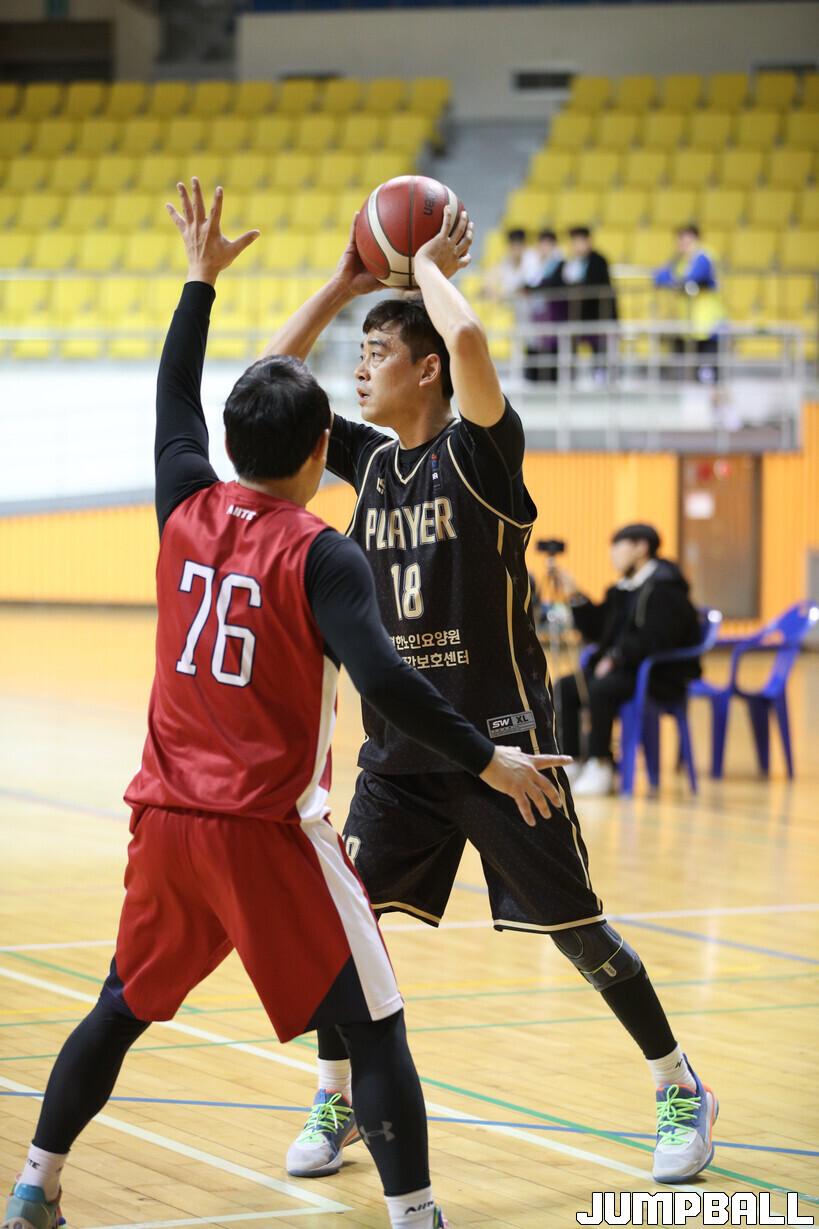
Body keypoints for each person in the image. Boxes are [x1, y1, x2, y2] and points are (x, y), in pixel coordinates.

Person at [0, 181, 571, 1229]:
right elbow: (388, 683)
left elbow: (179, 389)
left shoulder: (183, 499)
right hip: (267, 832)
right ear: (321, 455)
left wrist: (201, 280)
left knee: (119, 1005)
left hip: (162, 821)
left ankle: (35, 1182)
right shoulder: (321, 552)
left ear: (232, 441)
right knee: (379, 1021)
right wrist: (489, 758)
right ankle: (416, 1213)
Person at [264, 206, 718, 1188]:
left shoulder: (480, 454)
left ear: (425, 369)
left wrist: (425, 265)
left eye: (377, 352)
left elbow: (468, 338)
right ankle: (337, 1096)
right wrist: (345, 284)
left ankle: (679, 1082)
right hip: (398, 758)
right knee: (342, 929)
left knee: (579, 929)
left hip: (504, 749)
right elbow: (270, 378)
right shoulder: (369, 462)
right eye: (360, 353)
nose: (359, 368)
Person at [553, 524, 703, 798]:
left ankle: (601, 764)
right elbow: (599, 630)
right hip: (627, 670)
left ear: (641, 547)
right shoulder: (624, 588)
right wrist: (576, 596)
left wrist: (615, 657)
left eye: (618, 546)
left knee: (600, 688)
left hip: (659, 676)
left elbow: (657, 639)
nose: (613, 554)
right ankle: (574, 762)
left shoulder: (665, 588)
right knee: (566, 687)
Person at [654, 224, 724, 384]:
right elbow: (659, 277)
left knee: (708, 374)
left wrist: (674, 282)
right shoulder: (679, 261)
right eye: (680, 240)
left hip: (708, 323)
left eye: (687, 240)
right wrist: (675, 282)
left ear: (696, 239)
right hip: (688, 323)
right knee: (687, 372)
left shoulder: (704, 256)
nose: (682, 244)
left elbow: (693, 277)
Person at [546, 225, 618, 381]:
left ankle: (601, 378)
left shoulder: (598, 261)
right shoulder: (568, 263)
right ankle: (569, 379)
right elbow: (552, 282)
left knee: (599, 351)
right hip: (574, 317)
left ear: (588, 242)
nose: (577, 245)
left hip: (597, 315)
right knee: (569, 349)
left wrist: (576, 287)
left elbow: (597, 283)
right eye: (574, 241)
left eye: (580, 241)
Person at [523, 228, 566, 383]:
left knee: (552, 345)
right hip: (538, 313)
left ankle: (552, 378)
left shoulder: (559, 263)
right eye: (542, 243)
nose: (544, 247)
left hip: (554, 313)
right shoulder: (535, 263)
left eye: (548, 244)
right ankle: (535, 377)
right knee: (536, 344)